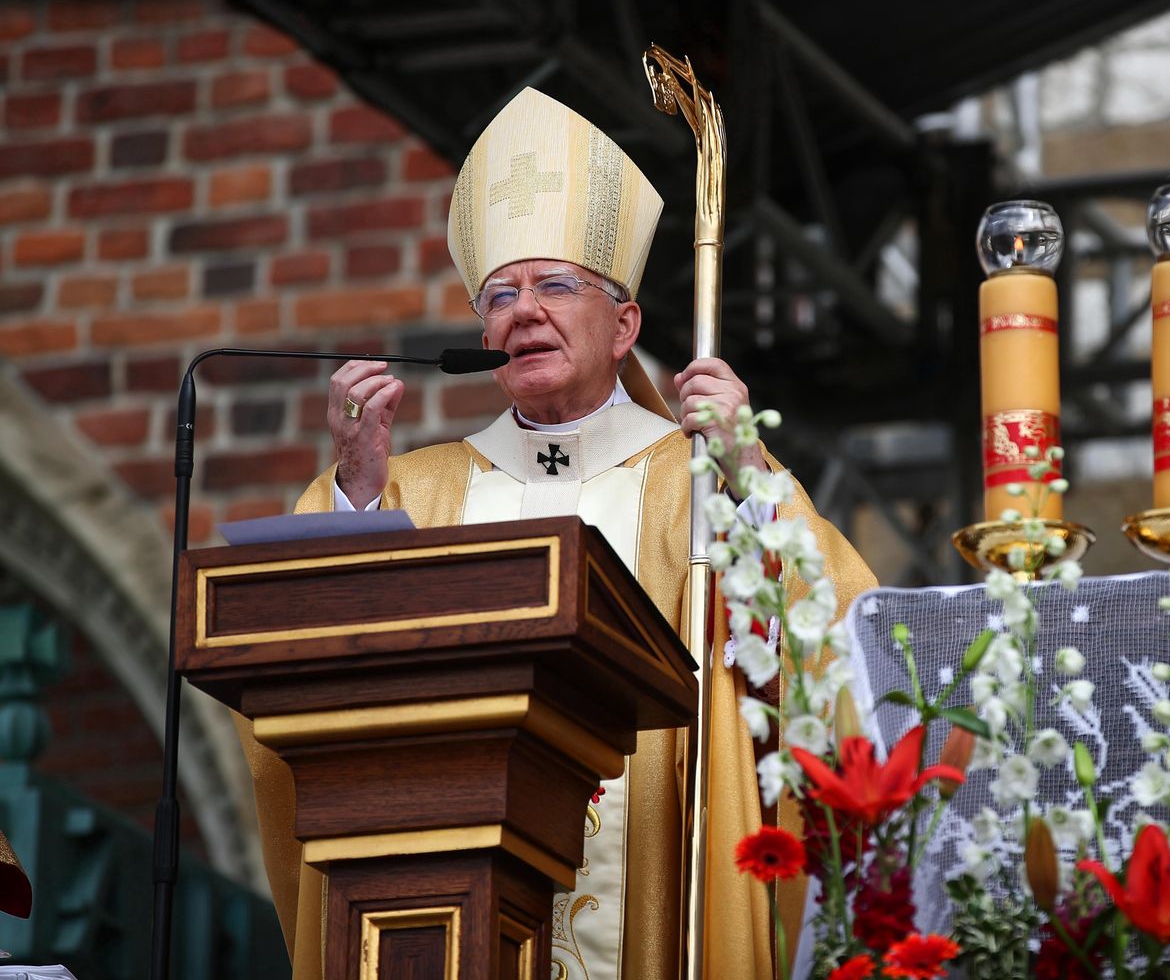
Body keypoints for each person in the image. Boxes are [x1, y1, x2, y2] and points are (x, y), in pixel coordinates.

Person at [234, 87, 874, 979]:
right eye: (499, 294)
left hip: (657, 909)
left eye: (555, 285)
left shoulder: (698, 481)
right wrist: (358, 492)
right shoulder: (413, 487)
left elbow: (843, 633)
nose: (522, 310)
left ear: (625, 327)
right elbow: (299, 672)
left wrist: (750, 470)